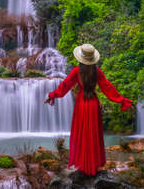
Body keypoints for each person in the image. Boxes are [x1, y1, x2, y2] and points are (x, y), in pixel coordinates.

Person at [44, 43, 133, 176]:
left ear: (81, 58)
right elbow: (108, 88)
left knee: (82, 134)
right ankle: (93, 165)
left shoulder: (76, 71)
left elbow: (65, 86)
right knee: (93, 134)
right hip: (93, 104)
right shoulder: (97, 72)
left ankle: (83, 165)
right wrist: (122, 100)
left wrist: (53, 95)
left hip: (81, 103)